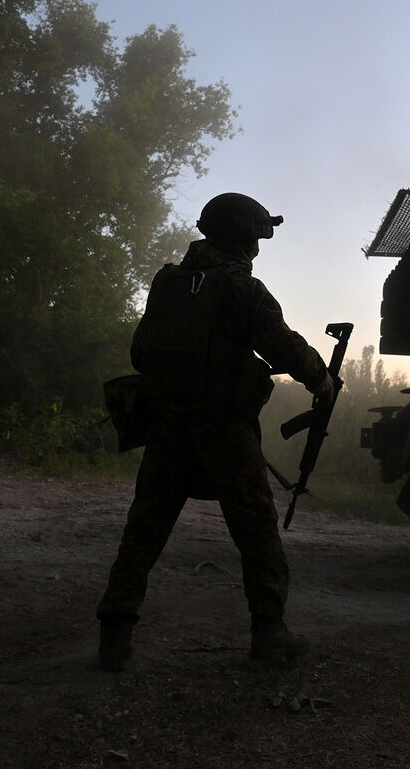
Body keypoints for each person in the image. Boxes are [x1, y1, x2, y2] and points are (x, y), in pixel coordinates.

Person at [95, 192, 334, 671]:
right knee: (256, 530)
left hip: (166, 426)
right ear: (245, 238)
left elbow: (141, 354)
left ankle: (114, 638)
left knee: (144, 530)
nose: (259, 249)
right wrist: (320, 377)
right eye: (257, 238)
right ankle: (269, 634)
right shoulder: (243, 290)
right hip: (224, 430)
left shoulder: (167, 284)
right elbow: (282, 346)